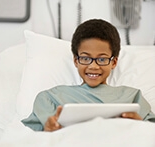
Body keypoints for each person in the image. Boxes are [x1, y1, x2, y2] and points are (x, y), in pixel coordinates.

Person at [22, 19, 155, 132]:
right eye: (86, 58)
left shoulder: (132, 97)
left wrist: (141, 127)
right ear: (76, 60)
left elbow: (150, 133)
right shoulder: (50, 98)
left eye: (102, 59)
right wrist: (48, 129)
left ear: (113, 62)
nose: (93, 66)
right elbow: (26, 135)